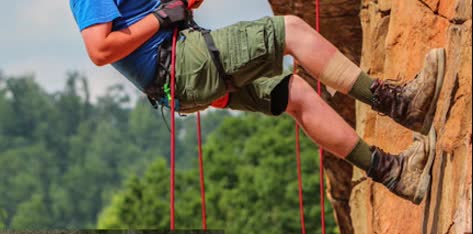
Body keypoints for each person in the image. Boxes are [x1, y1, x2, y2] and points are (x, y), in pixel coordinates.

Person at [69, 0, 445, 204]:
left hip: (183, 72)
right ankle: (400, 104)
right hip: (182, 64)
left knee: (294, 93)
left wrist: (176, 7)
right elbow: (100, 49)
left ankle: (394, 173)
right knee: (290, 31)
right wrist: (162, 16)